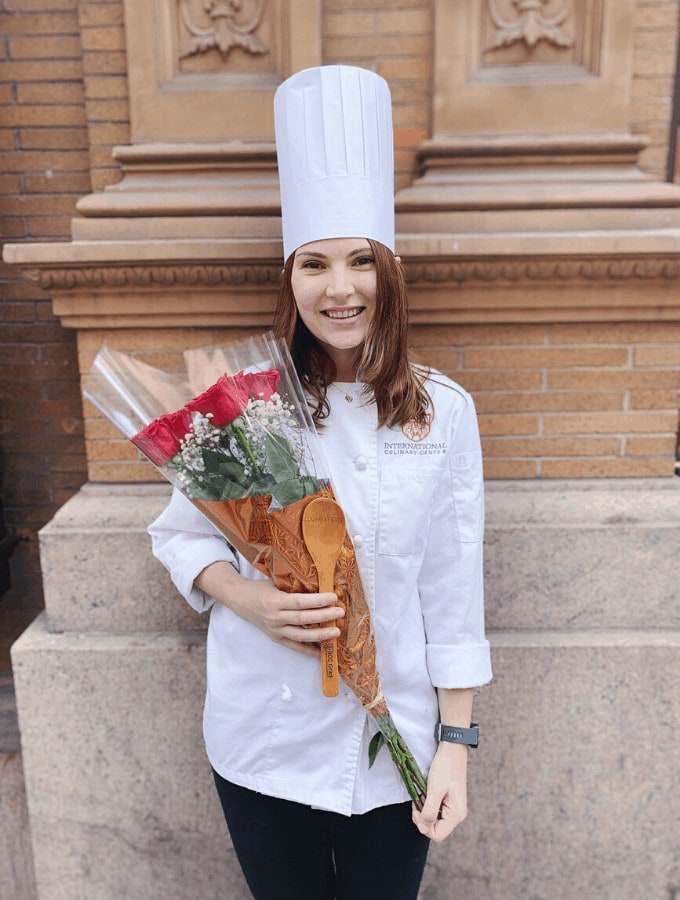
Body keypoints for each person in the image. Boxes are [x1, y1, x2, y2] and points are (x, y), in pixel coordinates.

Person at [148, 65, 492, 900]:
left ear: (391, 272)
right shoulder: (250, 407)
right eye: (314, 264)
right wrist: (250, 599)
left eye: (360, 262)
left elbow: (453, 586)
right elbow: (181, 535)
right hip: (262, 736)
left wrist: (455, 742)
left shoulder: (442, 412)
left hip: (397, 734)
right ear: (289, 278)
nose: (339, 289)